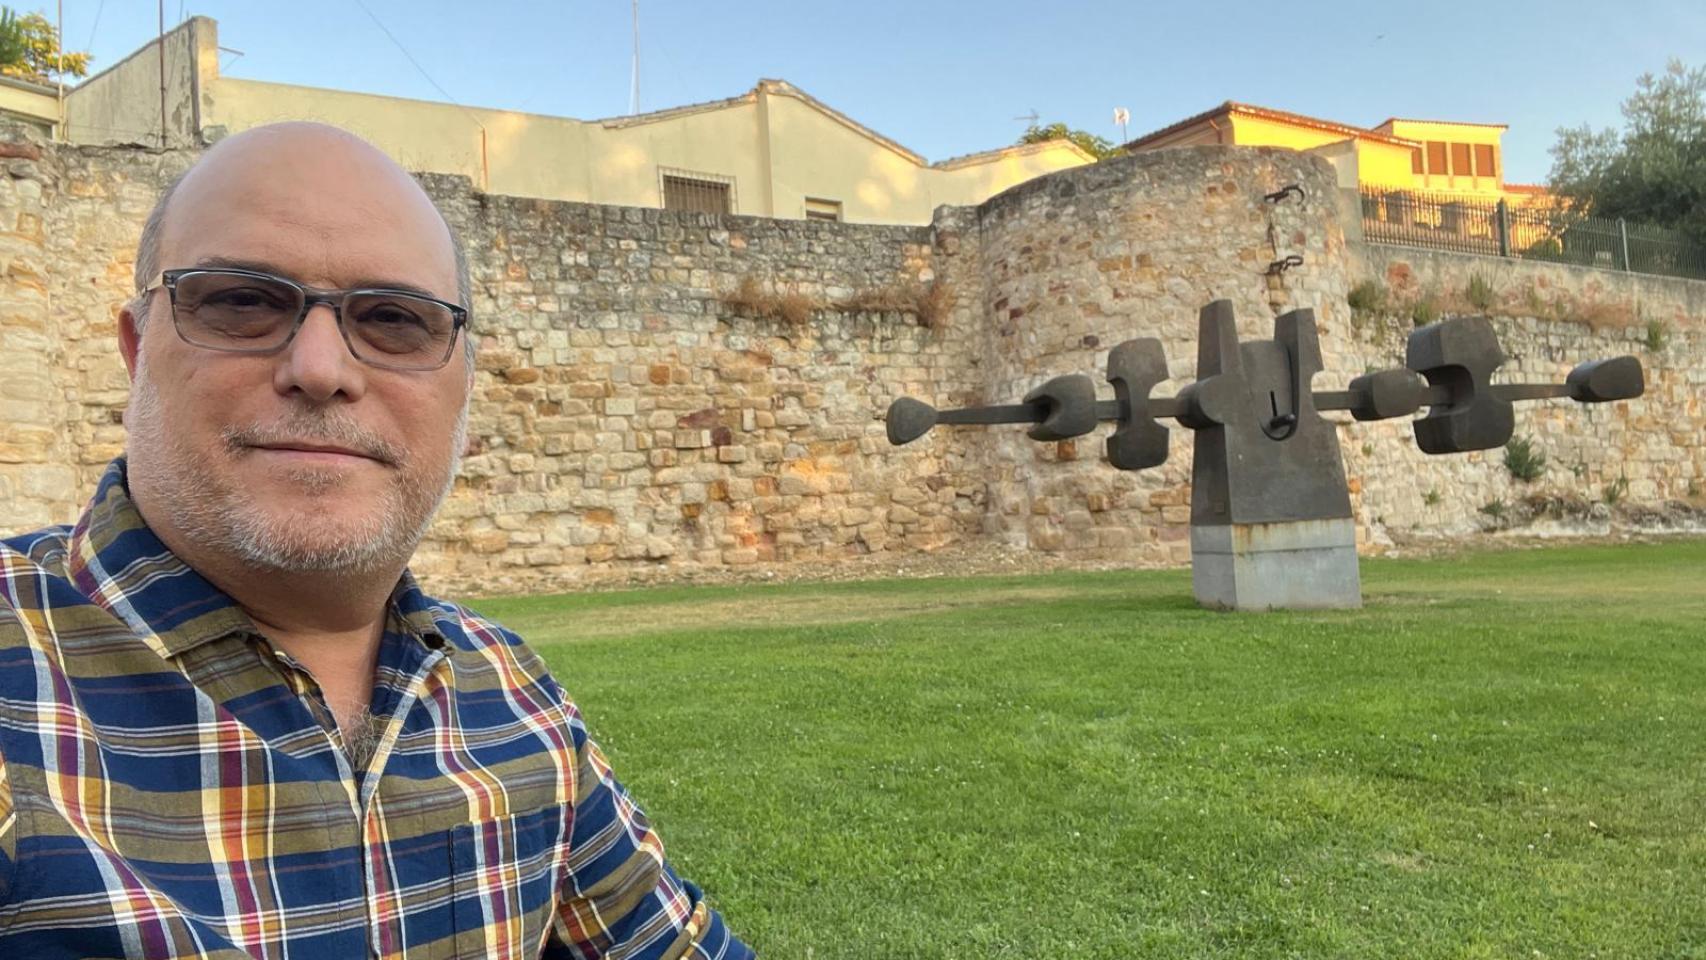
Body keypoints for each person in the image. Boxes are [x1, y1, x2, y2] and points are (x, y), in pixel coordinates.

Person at [0, 122, 752, 959]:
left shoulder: (507, 691)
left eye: (395, 319)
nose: (320, 367)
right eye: (243, 302)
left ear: (465, 380)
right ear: (138, 351)